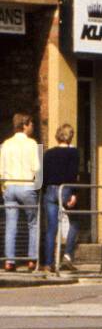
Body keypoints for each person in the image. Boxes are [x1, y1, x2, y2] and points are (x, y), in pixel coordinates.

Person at [1, 112, 41, 273]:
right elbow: (37, 168)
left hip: (9, 186)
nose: (33, 127)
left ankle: (9, 261)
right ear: (24, 125)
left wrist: (3, 186)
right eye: (31, 124)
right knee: (33, 223)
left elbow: (1, 169)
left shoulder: (5, 144)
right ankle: (31, 259)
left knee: (11, 224)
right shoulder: (32, 144)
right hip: (26, 185)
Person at [41, 123, 81, 273]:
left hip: (50, 190)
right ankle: (67, 257)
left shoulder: (49, 153)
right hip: (66, 189)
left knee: (51, 228)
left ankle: (48, 263)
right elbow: (74, 174)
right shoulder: (74, 153)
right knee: (75, 222)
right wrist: (74, 194)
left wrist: (45, 191)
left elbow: (43, 174)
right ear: (70, 137)